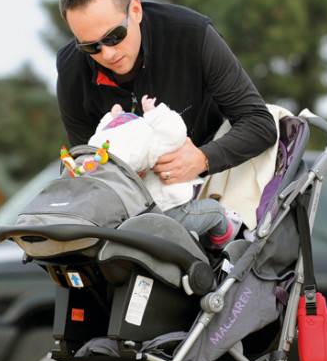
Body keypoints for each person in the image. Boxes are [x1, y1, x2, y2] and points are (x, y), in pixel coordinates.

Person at [54, 0, 276, 361]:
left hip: (192, 211)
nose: (104, 53)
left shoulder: (191, 36)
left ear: (135, 12)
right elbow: (90, 161)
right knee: (103, 335)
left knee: (194, 331)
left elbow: (258, 123)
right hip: (123, 222)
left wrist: (202, 157)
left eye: (113, 37)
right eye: (89, 45)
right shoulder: (73, 67)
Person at [86, 95, 241, 248]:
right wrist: (154, 112)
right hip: (171, 213)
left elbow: (98, 137)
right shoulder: (150, 143)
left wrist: (110, 118)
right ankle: (220, 241)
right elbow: (176, 132)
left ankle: (201, 242)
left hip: (133, 224)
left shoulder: (101, 158)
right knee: (215, 211)